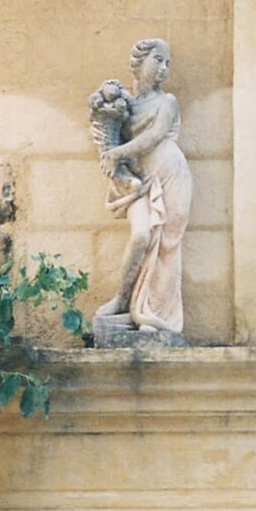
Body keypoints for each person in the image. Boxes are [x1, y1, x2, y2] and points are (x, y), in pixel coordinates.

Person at [89, 37, 192, 339]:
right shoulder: (124, 106)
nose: (163, 68)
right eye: (158, 60)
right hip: (138, 182)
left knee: (167, 246)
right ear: (138, 62)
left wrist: (117, 153)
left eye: (167, 63)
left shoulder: (167, 102)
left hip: (172, 177)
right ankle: (123, 299)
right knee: (141, 235)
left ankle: (156, 313)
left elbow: (155, 136)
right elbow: (107, 139)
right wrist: (112, 154)